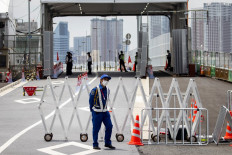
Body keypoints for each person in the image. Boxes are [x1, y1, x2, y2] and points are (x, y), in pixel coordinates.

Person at [89, 74, 115, 150]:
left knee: (109, 126)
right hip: (97, 112)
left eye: (107, 80)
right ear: (101, 80)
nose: (106, 81)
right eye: (105, 79)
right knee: (96, 129)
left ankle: (107, 143)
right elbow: (90, 101)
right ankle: (95, 144)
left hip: (105, 111)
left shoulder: (108, 90)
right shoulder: (95, 90)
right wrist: (92, 110)